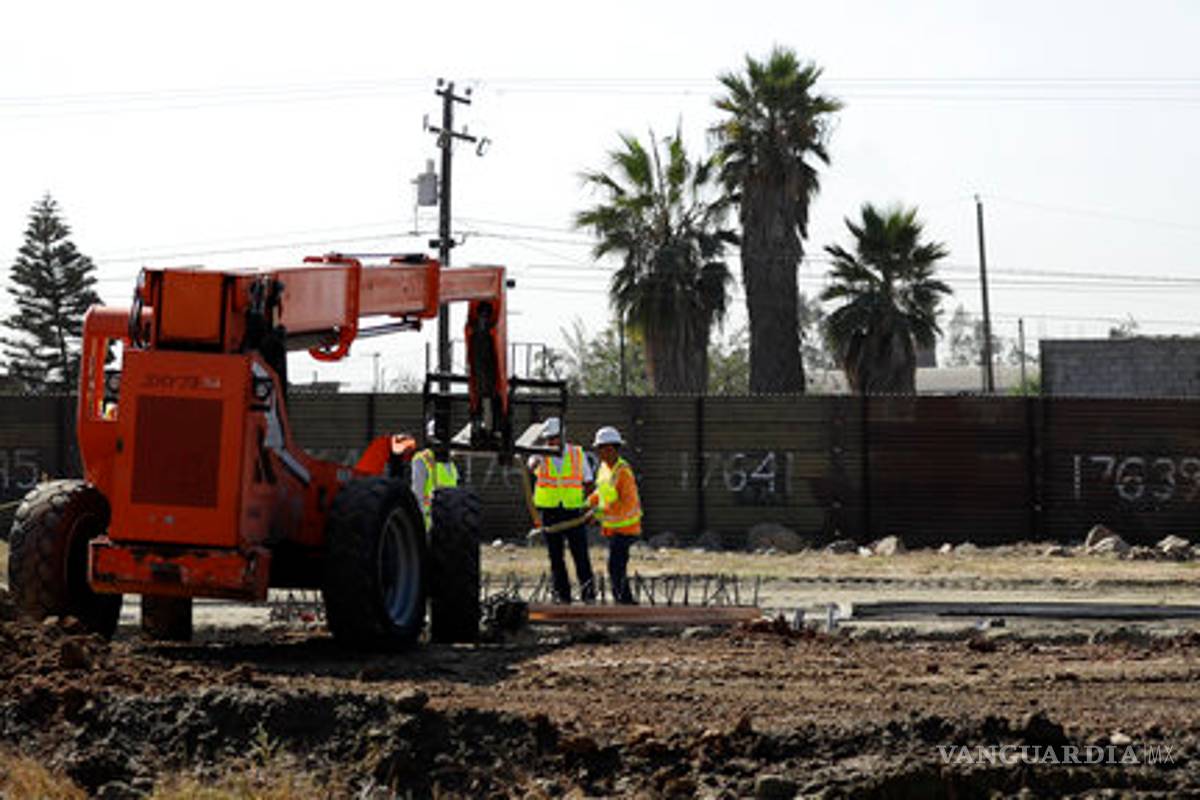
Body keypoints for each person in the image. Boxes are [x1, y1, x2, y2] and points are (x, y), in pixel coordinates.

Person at [528, 416, 596, 603]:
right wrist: (539, 455)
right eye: (548, 438)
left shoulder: (577, 453)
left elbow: (588, 482)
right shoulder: (539, 454)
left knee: (581, 555)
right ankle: (562, 595)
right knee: (556, 558)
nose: (551, 442)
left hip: (573, 512)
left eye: (555, 437)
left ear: (563, 436)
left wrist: (592, 508)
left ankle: (588, 594)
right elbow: (530, 465)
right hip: (550, 513)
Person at [587, 425, 642, 605]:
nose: (599, 453)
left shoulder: (623, 472)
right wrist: (586, 504)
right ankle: (623, 600)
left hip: (626, 528)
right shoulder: (605, 468)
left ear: (611, 449)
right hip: (613, 529)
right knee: (616, 567)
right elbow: (601, 492)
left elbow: (628, 506)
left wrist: (599, 517)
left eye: (601, 449)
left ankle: (625, 602)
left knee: (616, 567)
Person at [411, 420, 459, 530]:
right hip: (429, 523)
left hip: (448, 521)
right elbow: (417, 494)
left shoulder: (450, 461)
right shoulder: (422, 459)